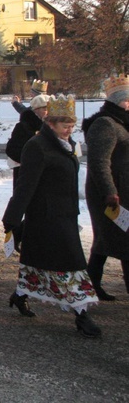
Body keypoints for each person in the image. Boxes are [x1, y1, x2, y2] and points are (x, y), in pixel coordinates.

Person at [3, 94, 101, 338]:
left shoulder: (66, 145)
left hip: (65, 215)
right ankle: (82, 314)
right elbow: (25, 185)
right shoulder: (37, 147)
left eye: (72, 125)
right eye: (64, 125)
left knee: (38, 262)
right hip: (46, 218)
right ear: (50, 123)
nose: (69, 129)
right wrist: (12, 219)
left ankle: (20, 294)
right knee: (72, 264)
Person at [83, 74, 129, 301]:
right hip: (111, 194)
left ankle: (91, 284)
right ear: (120, 101)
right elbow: (99, 162)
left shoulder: (122, 122)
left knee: (105, 242)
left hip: (123, 191)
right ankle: (92, 285)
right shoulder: (105, 124)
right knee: (119, 240)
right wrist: (110, 192)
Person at [6, 94, 50, 188]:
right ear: (36, 110)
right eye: (45, 109)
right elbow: (11, 149)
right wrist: (30, 160)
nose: (48, 112)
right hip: (25, 174)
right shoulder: (23, 126)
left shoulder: (50, 127)